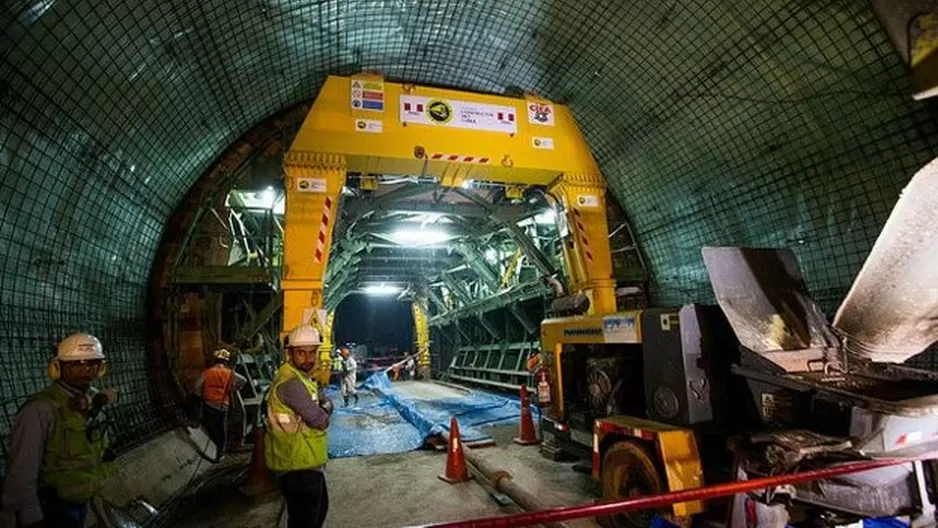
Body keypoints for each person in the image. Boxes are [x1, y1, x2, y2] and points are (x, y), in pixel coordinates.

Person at [1, 333, 116, 528]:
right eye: (76, 364)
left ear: (101, 367)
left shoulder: (95, 399)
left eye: (92, 363)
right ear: (57, 367)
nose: (85, 369)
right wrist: (30, 517)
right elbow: (21, 471)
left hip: (83, 499)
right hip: (52, 507)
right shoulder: (40, 409)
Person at [266, 324, 334, 528]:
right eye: (301, 353)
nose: (308, 359)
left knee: (315, 512)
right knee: (306, 521)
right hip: (297, 465)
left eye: (313, 352)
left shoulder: (300, 378)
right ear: (290, 354)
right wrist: (324, 410)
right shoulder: (291, 383)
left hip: (303, 462)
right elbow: (320, 420)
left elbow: (324, 402)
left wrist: (323, 408)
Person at [194, 347, 246, 461]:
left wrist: (200, 396)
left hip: (209, 404)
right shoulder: (229, 373)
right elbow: (243, 380)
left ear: (214, 360)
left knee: (210, 426)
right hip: (223, 405)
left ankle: (211, 447)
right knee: (221, 429)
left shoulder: (207, 372)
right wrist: (232, 389)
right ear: (226, 361)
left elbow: (197, 387)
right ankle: (220, 452)